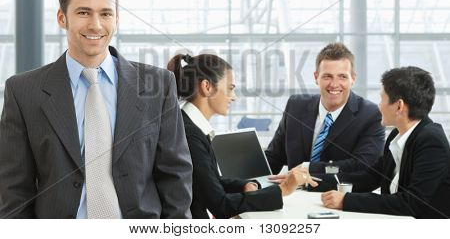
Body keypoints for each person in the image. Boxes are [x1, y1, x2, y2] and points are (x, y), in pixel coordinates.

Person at [0, 0, 192, 218]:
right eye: (83, 12)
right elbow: (14, 192)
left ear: (116, 19)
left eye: (105, 13)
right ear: (62, 17)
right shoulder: (23, 91)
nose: (96, 24)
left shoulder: (158, 85)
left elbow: (176, 177)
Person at [167, 53, 318, 219]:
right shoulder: (190, 135)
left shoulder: (190, 125)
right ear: (207, 87)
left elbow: (209, 183)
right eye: (230, 88)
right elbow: (221, 205)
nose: (234, 96)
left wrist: (244, 185)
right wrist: (282, 190)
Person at [321, 66, 450, 218]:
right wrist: (311, 181)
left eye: (382, 99)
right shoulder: (397, 135)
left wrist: (346, 201)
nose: (379, 106)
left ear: (399, 106)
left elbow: (413, 203)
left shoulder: (431, 141)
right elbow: (369, 177)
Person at [265, 43, 385, 178]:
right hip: (293, 195)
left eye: (342, 76)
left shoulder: (370, 115)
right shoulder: (295, 106)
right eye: (327, 76)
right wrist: (247, 183)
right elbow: (274, 157)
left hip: (337, 195)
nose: (334, 84)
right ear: (316, 77)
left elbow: (363, 165)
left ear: (353, 79)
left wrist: (307, 169)